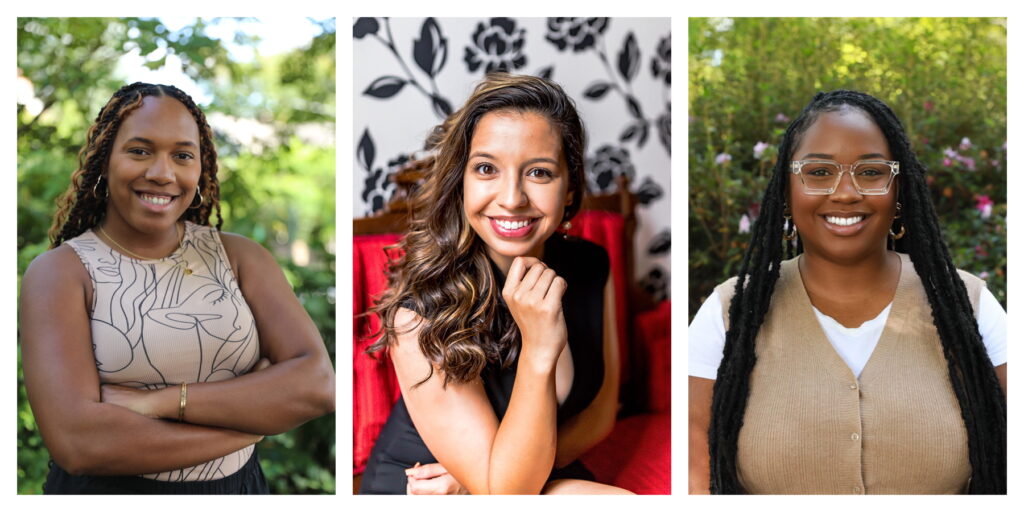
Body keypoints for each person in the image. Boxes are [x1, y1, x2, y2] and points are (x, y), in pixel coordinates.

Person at [19, 82, 336, 494]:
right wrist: (251, 427)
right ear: (104, 161)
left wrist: (156, 403)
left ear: (200, 169)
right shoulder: (61, 272)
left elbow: (317, 384)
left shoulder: (240, 258)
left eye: (182, 156)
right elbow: (80, 444)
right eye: (139, 151)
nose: (162, 173)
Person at [688, 90, 1007, 495]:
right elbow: (692, 476)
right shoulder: (729, 312)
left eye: (871, 172)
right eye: (818, 172)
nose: (845, 192)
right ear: (786, 190)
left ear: (899, 191)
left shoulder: (969, 305)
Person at [358, 73, 631, 495]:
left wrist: (485, 476)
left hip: (506, 479)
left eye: (539, 172)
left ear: (570, 187)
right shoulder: (420, 313)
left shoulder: (591, 263)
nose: (511, 198)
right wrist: (540, 345)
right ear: (460, 181)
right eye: (486, 168)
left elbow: (600, 416)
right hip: (423, 485)